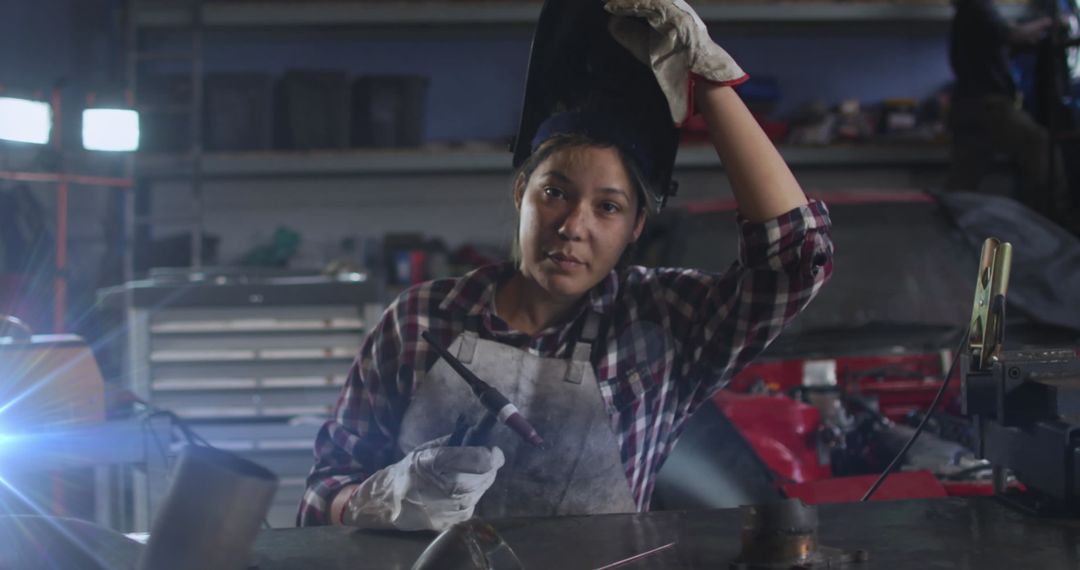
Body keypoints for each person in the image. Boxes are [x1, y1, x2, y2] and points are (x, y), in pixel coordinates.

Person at [297, 0, 834, 530]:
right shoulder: (420, 318)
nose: (574, 225)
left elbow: (792, 259)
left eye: (609, 206)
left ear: (636, 228)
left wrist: (708, 82)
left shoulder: (664, 325)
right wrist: (380, 500)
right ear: (519, 193)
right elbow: (326, 489)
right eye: (555, 192)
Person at [945, 0, 1067, 216]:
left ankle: (949, 230)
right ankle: (1048, 225)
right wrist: (1048, 23)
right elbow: (1011, 35)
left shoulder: (967, 14)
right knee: (1041, 147)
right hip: (988, 105)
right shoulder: (977, 8)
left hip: (966, 106)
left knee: (963, 181)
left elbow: (1007, 41)